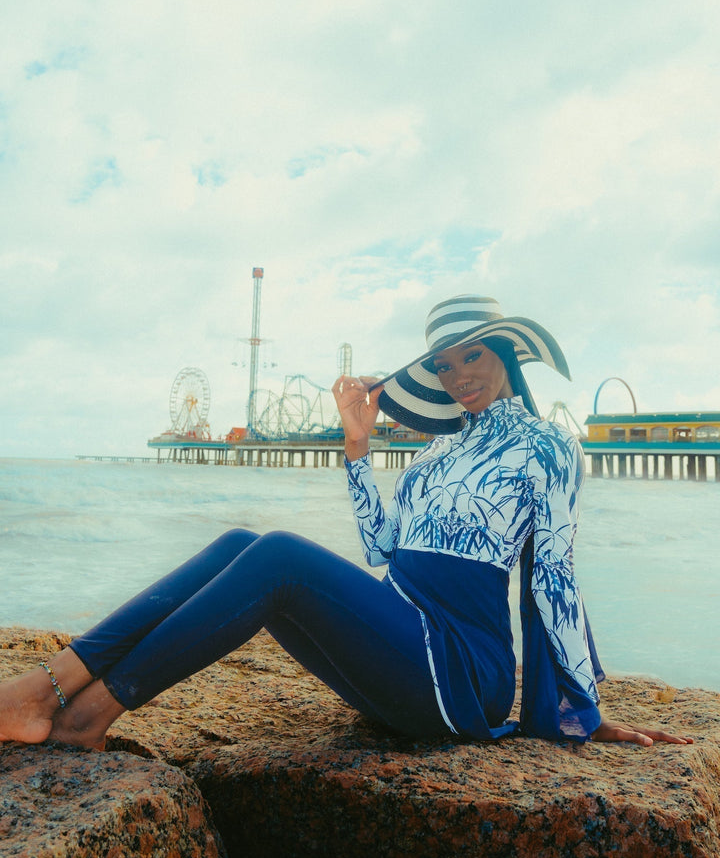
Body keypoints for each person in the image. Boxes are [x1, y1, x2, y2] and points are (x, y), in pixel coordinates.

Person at [0, 295, 691, 751]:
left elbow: (557, 583)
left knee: (277, 556)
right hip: (400, 649)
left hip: (458, 675)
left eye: (472, 357)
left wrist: (584, 709)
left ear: (506, 356)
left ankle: (82, 713)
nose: (459, 377)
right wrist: (357, 450)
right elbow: (383, 553)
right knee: (243, 543)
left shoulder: (546, 447)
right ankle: (52, 688)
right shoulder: (436, 452)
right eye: (446, 365)